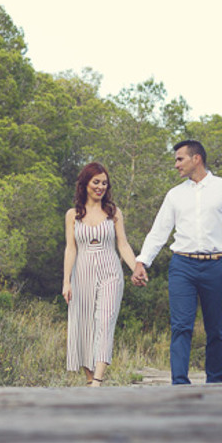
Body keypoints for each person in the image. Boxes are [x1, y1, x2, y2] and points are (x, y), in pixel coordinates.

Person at [131, 140, 222, 385]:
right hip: (182, 267)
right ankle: (179, 385)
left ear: (196, 158)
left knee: (215, 330)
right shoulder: (175, 195)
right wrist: (142, 262)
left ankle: (215, 385)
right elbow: (159, 231)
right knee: (181, 326)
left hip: (216, 266)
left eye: (180, 159)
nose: (176, 165)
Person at [63, 162, 141, 387]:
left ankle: (98, 379)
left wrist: (136, 267)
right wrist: (66, 281)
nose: (100, 187)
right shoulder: (73, 214)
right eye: (96, 182)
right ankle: (89, 381)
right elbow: (71, 248)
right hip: (82, 272)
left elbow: (123, 245)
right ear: (85, 183)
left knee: (105, 321)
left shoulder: (113, 212)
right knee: (84, 323)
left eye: (104, 183)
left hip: (110, 271)